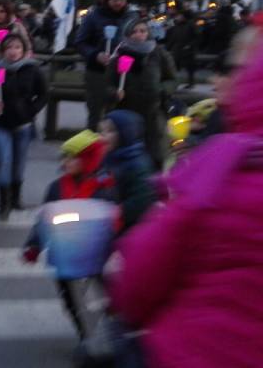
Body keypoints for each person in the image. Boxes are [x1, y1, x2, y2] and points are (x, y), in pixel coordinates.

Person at [108, 23, 263, 368]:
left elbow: (140, 280)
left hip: (194, 351)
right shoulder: (120, 56)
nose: (222, 80)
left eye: (236, 70)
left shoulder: (223, 170)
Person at [22, 130, 117, 342]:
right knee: (70, 297)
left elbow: (114, 220)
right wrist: (34, 246)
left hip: (96, 253)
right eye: (64, 157)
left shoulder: (104, 187)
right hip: (65, 251)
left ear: (87, 160)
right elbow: (44, 219)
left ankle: (110, 330)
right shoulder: (57, 188)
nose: (66, 162)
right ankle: (85, 334)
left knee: (106, 294)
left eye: (72, 157)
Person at [0, 34, 48, 220]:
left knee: (19, 162)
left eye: (17, 47)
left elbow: (43, 94)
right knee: (4, 160)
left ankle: (16, 197)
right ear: (3, 50)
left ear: (24, 50)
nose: (13, 51)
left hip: (23, 123)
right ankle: (4, 203)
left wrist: (31, 110)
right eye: (9, 48)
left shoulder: (32, 70)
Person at [109, 19, 177, 168]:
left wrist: (162, 89)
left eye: (143, 31)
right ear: (127, 34)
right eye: (134, 31)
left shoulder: (159, 53)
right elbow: (108, 84)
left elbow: (172, 79)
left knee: (156, 155)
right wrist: (115, 93)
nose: (139, 34)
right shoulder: (120, 56)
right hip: (128, 112)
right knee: (131, 157)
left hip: (154, 113)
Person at [75, 0, 138, 130]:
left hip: (123, 74)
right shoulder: (93, 16)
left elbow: (140, 40)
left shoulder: (132, 17)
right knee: (96, 116)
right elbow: (80, 42)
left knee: (120, 116)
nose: (118, 2)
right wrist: (95, 55)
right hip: (98, 73)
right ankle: (93, 142)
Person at [98, 110, 159, 231]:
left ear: (125, 133)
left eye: (110, 131)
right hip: (109, 223)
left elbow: (142, 199)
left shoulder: (138, 164)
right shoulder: (108, 158)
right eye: (101, 131)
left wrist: (118, 211)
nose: (102, 136)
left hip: (131, 228)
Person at [164, 9, 198, 88]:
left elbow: (197, 37)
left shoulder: (191, 24)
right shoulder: (176, 26)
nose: (177, 17)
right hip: (178, 49)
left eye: (179, 16)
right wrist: (167, 48)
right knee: (174, 66)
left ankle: (191, 83)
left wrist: (190, 45)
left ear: (183, 16)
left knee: (189, 67)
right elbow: (173, 38)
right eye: (177, 16)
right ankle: (173, 83)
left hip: (188, 50)